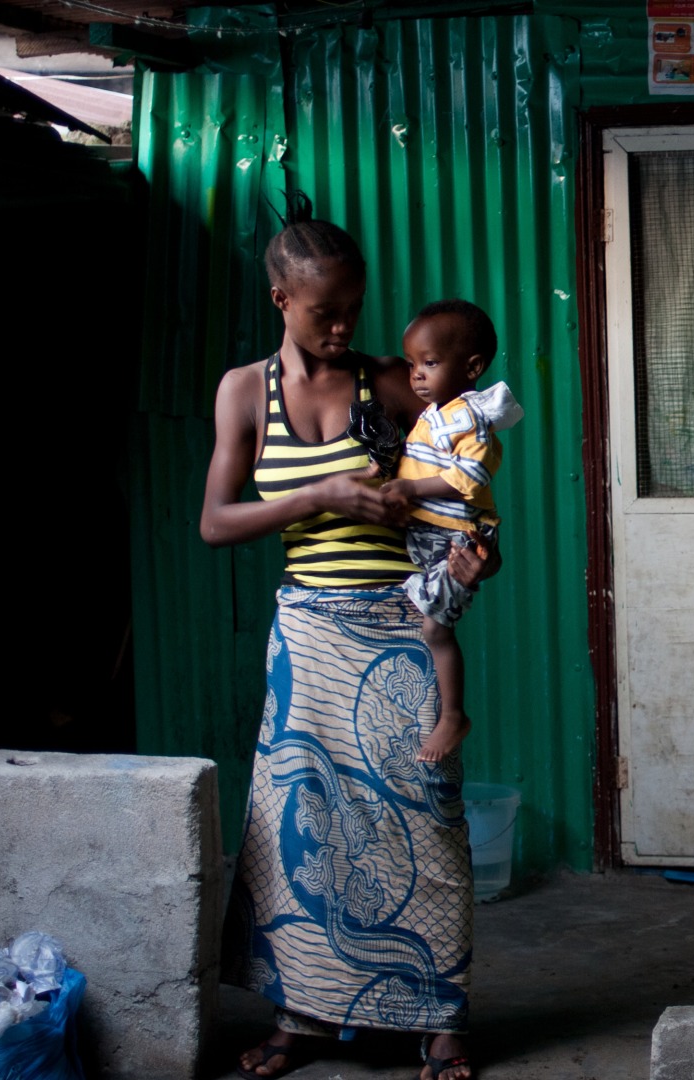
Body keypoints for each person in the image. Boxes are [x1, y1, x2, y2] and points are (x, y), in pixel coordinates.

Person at [200, 193, 482, 1080]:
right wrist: (318, 497)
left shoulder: (393, 386)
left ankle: (441, 1019)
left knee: (424, 823)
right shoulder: (244, 392)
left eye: (353, 308)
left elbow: (466, 493)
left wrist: (472, 555)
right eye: (326, 311)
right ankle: (307, 1018)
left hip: (396, 626)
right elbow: (216, 520)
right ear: (282, 300)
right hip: (307, 637)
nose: (344, 325)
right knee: (300, 825)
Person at [389, 298, 522, 763]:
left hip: (460, 541)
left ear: (472, 367)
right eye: (412, 365)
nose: (417, 376)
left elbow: (466, 481)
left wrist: (407, 488)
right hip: (432, 537)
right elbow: (416, 461)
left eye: (429, 363)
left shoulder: (473, 424)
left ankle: (453, 716)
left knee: (436, 629)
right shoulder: (436, 414)